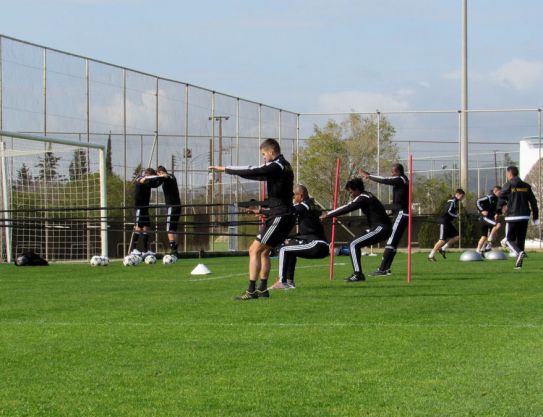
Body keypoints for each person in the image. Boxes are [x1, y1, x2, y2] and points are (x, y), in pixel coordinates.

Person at [209, 138, 295, 300]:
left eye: (264, 154)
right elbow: (276, 193)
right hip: (279, 214)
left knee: (254, 250)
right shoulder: (285, 166)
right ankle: (262, 289)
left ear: (271, 151)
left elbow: (252, 170)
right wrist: (262, 210)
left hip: (280, 216)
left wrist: (225, 169)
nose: (263, 157)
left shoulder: (277, 165)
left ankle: (251, 290)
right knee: (264, 253)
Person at [320, 178, 391, 282]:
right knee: (354, 243)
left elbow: (347, 207)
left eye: (351, 192)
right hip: (381, 227)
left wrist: (328, 214)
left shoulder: (363, 197)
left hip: (381, 228)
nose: (350, 194)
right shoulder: (367, 195)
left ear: (357, 190)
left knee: (353, 244)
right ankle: (358, 274)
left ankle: (358, 275)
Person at [270, 184, 329, 290]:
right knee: (290, 247)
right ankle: (289, 282)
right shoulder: (313, 205)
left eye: (294, 196)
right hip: (321, 245)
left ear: (300, 195)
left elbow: (289, 211)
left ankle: (281, 282)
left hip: (316, 244)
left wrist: (265, 212)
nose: (293, 198)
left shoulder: (306, 205)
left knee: (283, 249)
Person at [359, 163, 409, 276]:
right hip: (401, 213)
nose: (391, 174)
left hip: (401, 214)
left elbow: (385, 180)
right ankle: (386, 269)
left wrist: (369, 175)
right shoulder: (403, 180)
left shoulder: (400, 179)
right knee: (393, 242)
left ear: (398, 172)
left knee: (391, 240)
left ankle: (382, 269)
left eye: (393, 172)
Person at [497, 166, 539, 269]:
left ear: (510, 174)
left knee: (508, 239)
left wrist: (498, 211)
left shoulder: (508, 185)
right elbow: (533, 201)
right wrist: (535, 216)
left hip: (512, 216)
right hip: (524, 216)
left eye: (507, 174)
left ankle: (519, 252)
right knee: (520, 240)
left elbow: (501, 198)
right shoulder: (526, 186)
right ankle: (518, 265)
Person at [130, 168, 163, 256]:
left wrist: (162, 178)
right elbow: (143, 180)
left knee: (146, 228)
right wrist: (153, 176)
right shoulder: (140, 179)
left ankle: (145, 250)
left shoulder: (148, 182)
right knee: (138, 227)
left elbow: (155, 184)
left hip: (145, 209)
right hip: (139, 208)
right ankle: (133, 249)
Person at [428, 188, 465, 261]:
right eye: (462, 196)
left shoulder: (456, 202)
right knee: (442, 240)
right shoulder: (452, 201)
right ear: (457, 194)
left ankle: (443, 249)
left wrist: (455, 215)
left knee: (457, 237)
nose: (462, 198)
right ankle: (430, 256)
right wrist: (456, 216)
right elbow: (448, 211)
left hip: (448, 222)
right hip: (444, 222)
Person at [157, 166, 182, 255]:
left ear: (160, 172)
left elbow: (166, 176)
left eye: (158, 174)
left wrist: (163, 176)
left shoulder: (167, 177)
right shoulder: (172, 177)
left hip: (172, 206)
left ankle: (173, 249)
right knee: (174, 229)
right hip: (177, 206)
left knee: (169, 228)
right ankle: (175, 249)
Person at [475, 186, 502, 255]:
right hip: (485, 218)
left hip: (490, 218)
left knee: (485, 236)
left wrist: (497, 214)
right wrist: (482, 210)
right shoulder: (489, 197)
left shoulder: (498, 199)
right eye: (500, 192)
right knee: (498, 225)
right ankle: (489, 242)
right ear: (495, 191)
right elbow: (478, 201)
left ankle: (478, 250)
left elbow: (498, 209)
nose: (500, 193)